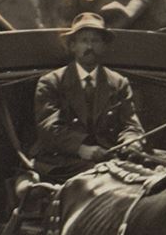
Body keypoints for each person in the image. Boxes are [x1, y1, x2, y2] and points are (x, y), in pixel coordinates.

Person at [33, 12, 145, 180]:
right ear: (73, 46)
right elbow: (49, 128)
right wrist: (80, 148)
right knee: (101, 176)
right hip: (64, 160)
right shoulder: (51, 82)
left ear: (104, 46)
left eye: (95, 41)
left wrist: (132, 142)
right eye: (84, 41)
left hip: (109, 156)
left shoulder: (119, 83)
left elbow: (131, 124)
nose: (89, 47)